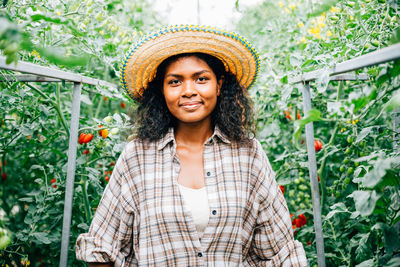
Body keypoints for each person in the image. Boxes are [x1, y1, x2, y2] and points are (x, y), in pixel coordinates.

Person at [76, 24, 307, 266]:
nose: (188, 91)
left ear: (219, 85)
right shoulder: (137, 157)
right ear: (162, 91)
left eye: (201, 79)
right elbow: (102, 248)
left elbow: (278, 251)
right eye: (175, 82)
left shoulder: (248, 154)